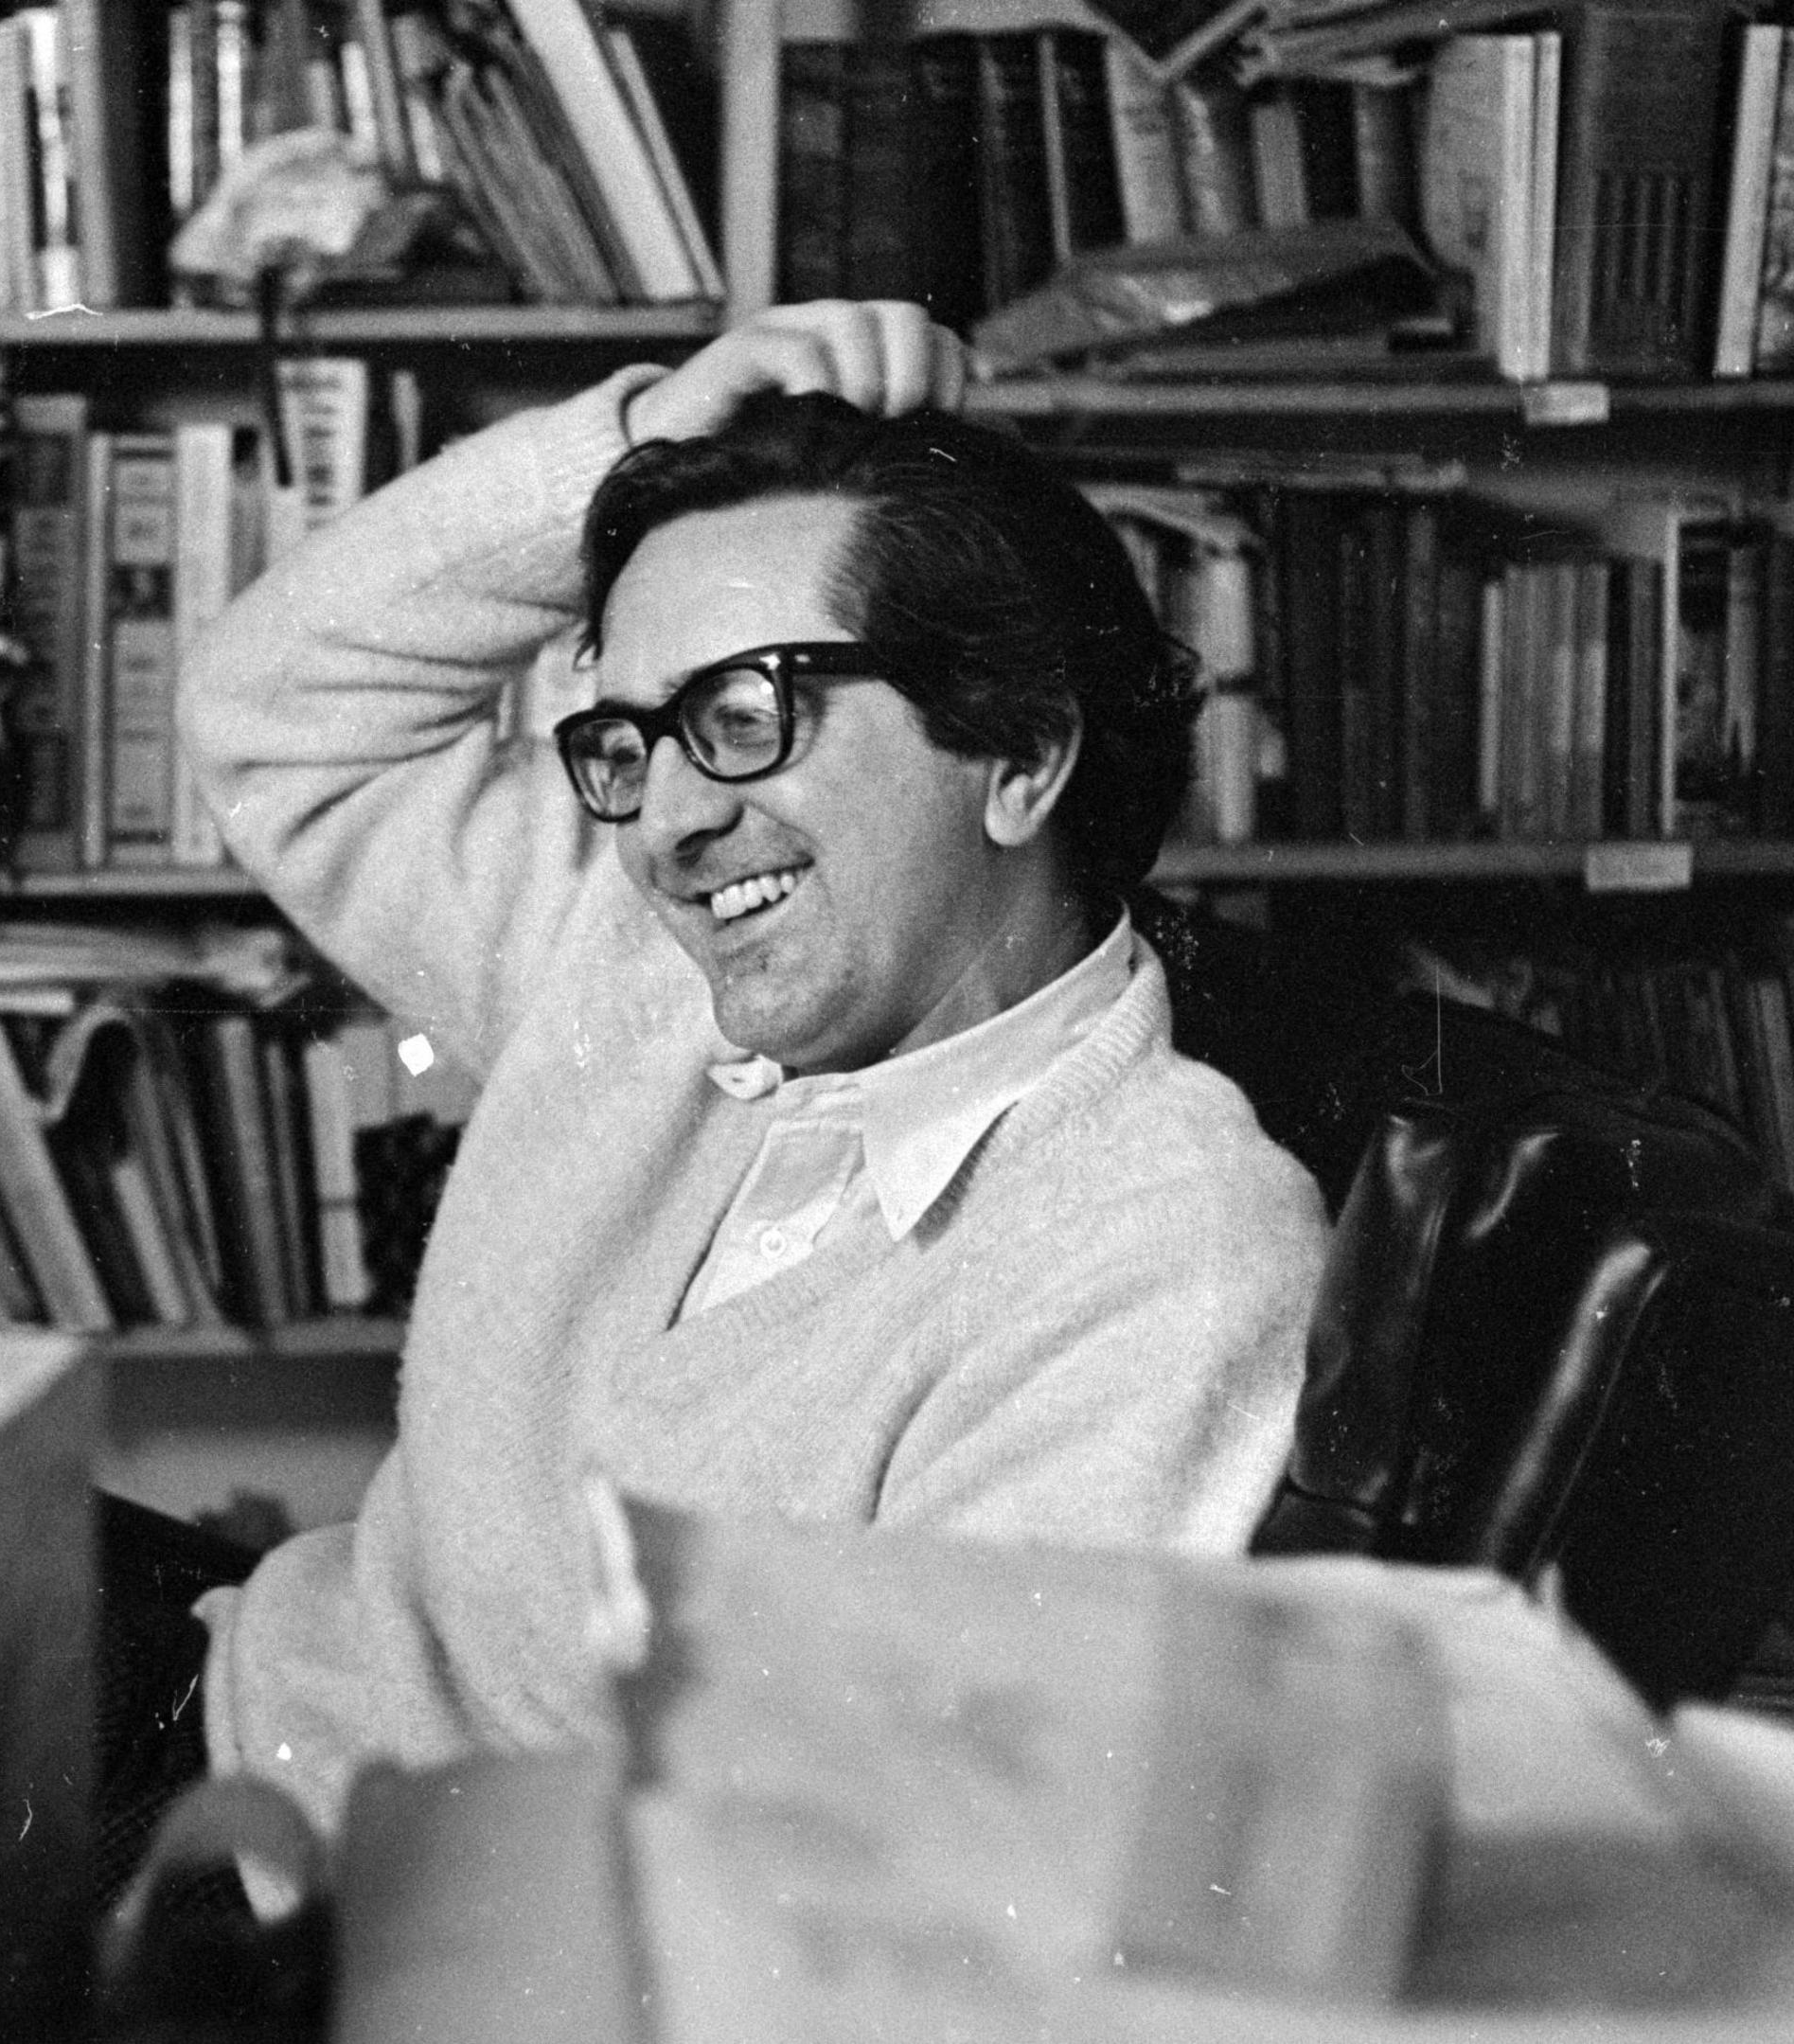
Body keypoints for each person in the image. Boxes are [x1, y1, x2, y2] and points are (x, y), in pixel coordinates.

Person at [107, 301, 1330, 1857]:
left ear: (1018, 754)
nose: (665, 830)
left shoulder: (1165, 1256)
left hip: (381, 1914)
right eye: (626, 740)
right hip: (239, 1687)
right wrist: (638, 442)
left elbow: (901, 1900)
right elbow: (270, 710)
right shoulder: (646, 970)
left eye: (743, 718)